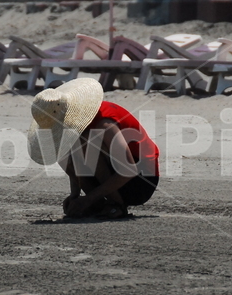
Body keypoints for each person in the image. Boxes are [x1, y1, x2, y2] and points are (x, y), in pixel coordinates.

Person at [27, 78, 159, 219]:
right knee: (62, 150)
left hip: (142, 181)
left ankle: (117, 204)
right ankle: (100, 203)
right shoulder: (79, 125)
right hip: (112, 174)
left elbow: (129, 170)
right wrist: (75, 195)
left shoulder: (104, 124)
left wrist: (88, 199)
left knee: (87, 145)